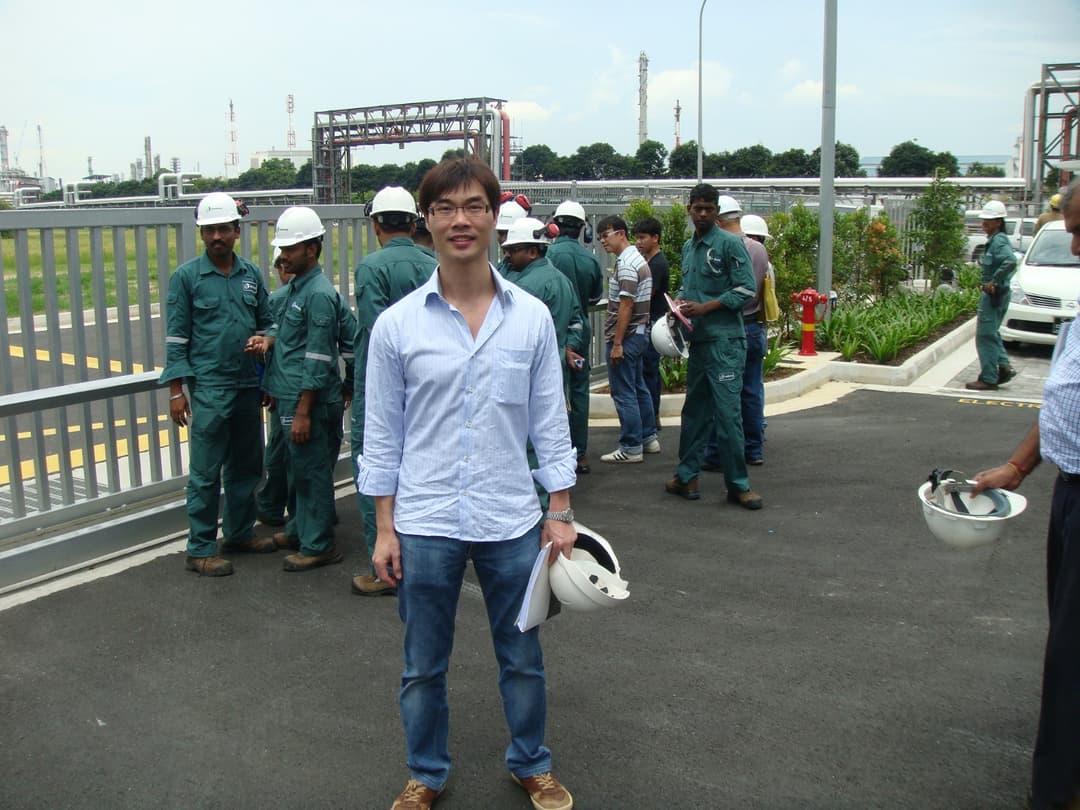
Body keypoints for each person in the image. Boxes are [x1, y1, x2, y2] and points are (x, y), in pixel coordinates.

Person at [358, 157, 577, 810]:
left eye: (474, 206)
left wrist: (559, 509)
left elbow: (550, 420)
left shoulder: (531, 318)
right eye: (445, 208)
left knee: (523, 656)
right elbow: (382, 434)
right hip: (424, 522)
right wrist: (384, 527)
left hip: (511, 517)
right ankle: (425, 774)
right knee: (423, 664)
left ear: (493, 215)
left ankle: (530, 762)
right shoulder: (398, 326)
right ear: (426, 222)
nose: (461, 220)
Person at [970, 177, 1080, 810]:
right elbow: (1065, 394)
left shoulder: (1005, 254)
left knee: (1074, 648)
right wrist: (1017, 465)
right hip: (1070, 490)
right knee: (1065, 636)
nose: (1073, 240)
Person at [160, 192, 277, 577]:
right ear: (201, 233)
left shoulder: (250, 276)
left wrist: (266, 339)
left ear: (236, 231)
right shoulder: (187, 278)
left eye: (223, 229)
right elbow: (176, 338)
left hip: (246, 385)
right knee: (206, 472)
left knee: (246, 467)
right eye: (209, 230)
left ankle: (240, 534)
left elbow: (269, 321)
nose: (216, 237)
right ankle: (200, 548)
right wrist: (177, 391)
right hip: (209, 388)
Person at [350, 186, 437, 597]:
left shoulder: (371, 267)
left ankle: (383, 563)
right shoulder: (431, 262)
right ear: (414, 222)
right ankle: (422, 559)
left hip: (383, 383)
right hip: (428, 382)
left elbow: (376, 328)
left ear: (376, 224)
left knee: (377, 466)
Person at [247, 206, 343, 572]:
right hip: (289, 395)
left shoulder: (317, 294)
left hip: (309, 403)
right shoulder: (297, 291)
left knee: (311, 472)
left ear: (312, 249)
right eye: (283, 249)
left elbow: (318, 357)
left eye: (291, 248)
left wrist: (303, 411)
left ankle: (318, 544)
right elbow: (286, 344)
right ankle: (300, 529)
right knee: (297, 471)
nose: (283, 256)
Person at [665, 184, 763, 510]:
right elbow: (688, 286)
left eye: (709, 208)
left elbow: (746, 289)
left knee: (728, 414)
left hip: (726, 343)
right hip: (700, 343)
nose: (703, 214)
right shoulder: (687, 247)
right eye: (698, 208)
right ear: (689, 209)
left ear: (717, 210)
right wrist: (679, 304)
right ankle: (687, 476)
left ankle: (738, 484)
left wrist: (704, 308)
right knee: (694, 412)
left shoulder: (730, 244)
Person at [501, 216, 588, 508]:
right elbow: (578, 322)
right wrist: (568, 348)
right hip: (554, 366)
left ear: (533, 251)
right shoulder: (558, 279)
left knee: (528, 438)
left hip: (526, 369)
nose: (507, 255)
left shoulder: (527, 285)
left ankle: (537, 504)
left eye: (513, 250)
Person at [703, 199, 769, 468]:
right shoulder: (759, 249)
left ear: (718, 220)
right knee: (752, 391)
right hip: (755, 327)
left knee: (722, 392)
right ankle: (754, 448)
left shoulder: (723, 247)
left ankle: (718, 452)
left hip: (729, 328)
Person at [596, 215, 658, 464]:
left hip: (627, 337)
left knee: (623, 393)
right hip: (639, 333)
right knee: (638, 387)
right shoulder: (636, 259)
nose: (603, 241)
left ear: (621, 234)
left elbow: (626, 305)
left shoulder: (627, 265)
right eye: (600, 236)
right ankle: (647, 437)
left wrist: (618, 343)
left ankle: (631, 446)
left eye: (606, 235)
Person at [548, 200, 604, 474]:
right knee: (580, 391)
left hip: (550, 331)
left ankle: (552, 453)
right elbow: (594, 296)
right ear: (583, 229)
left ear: (554, 224)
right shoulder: (591, 259)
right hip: (579, 331)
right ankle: (579, 453)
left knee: (548, 392)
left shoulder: (544, 256)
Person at [255, 249, 294, 527]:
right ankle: (310, 512)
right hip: (306, 391)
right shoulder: (325, 294)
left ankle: (272, 506)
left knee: (281, 451)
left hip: (285, 391)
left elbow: (266, 351)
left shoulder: (278, 301)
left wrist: (266, 384)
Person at [966, 200, 1018, 391]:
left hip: (995, 294)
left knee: (985, 336)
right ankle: (1004, 367)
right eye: (984, 220)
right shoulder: (995, 240)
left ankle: (988, 377)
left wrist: (994, 281)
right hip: (996, 294)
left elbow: (1010, 262)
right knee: (992, 332)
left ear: (998, 222)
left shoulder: (999, 241)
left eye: (989, 221)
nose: (984, 224)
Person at [632, 216, 670, 433]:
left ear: (655, 238)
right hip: (651, 323)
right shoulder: (651, 262)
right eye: (636, 238)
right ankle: (651, 416)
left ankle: (651, 416)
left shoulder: (656, 264)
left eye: (643, 237)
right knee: (649, 372)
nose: (638, 242)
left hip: (652, 324)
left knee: (648, 372)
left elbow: (647, 294)